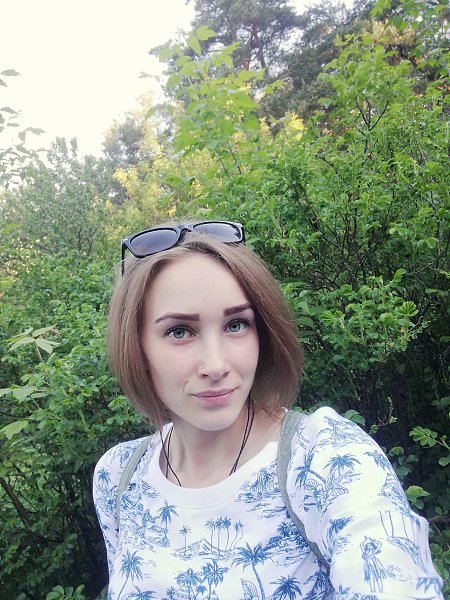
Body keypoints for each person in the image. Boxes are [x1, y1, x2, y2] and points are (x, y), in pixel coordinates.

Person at [93, 220, 443, 599]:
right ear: (137, 346)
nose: (216, 364)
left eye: (236, 325)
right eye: (180, 331)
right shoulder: (118, 476)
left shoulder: (324, 458)